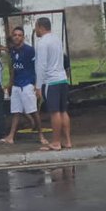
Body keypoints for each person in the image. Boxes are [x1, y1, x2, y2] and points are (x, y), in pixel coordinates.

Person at [0, 26, 44, 144]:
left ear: (23, 37)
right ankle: (11, 136)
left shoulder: (30, 50)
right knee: (16, 112)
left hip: (27, 84)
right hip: (16, 85)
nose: (17, 37)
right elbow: (14, 69)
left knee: (33, 111)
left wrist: (36, 84)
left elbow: (37, 67)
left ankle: (41, 135)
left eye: (19, 35)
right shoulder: (13, 51)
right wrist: (10, 83)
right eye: (15, 35)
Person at [34, 17, 71, 151]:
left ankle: (55, 142)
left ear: (40, 27)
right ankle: (67, 140)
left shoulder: (43, 43)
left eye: (36, 27)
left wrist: (38, 86)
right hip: (62, 79)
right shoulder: (56, 39)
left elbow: (41, 65)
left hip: (51, 81)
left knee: (54, 112)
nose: (35, 30)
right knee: (63, 111)